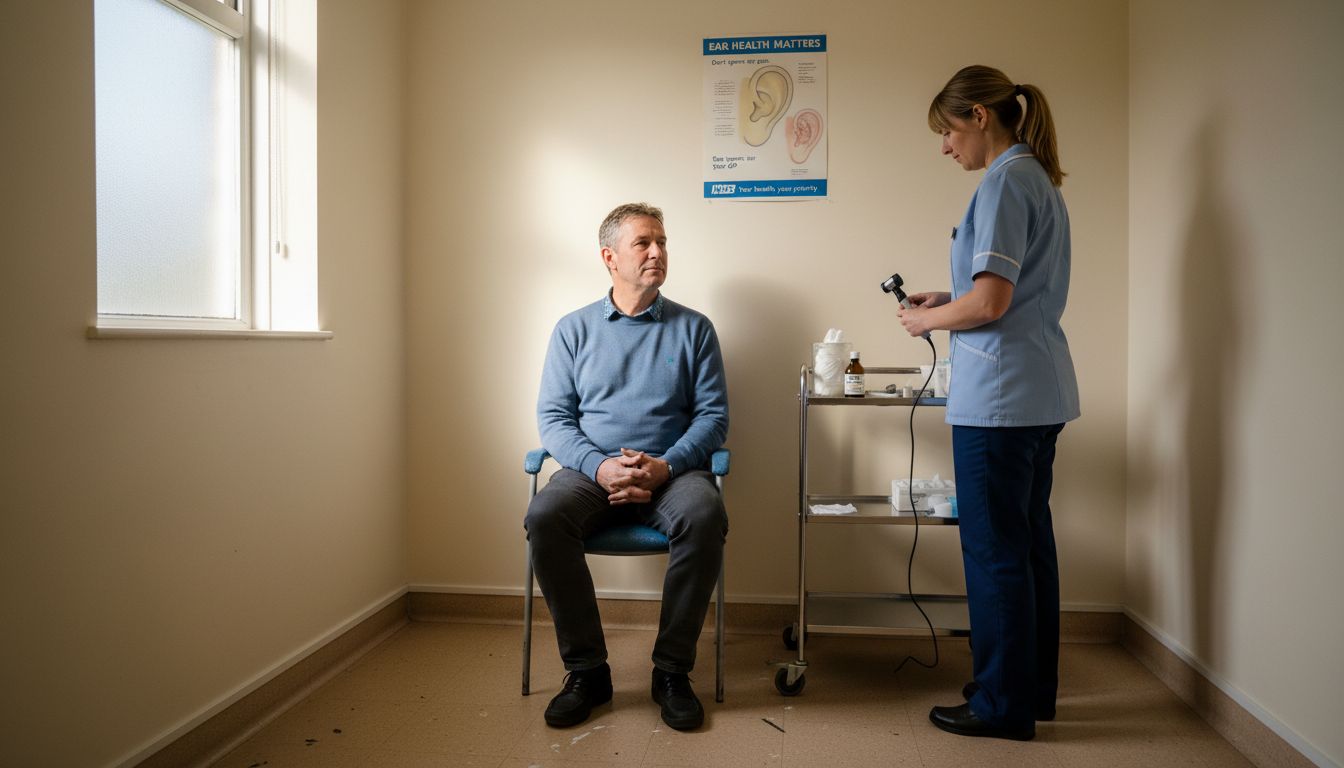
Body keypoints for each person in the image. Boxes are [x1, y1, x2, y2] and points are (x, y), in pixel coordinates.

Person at [897, 65, 1081, 742]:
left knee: (996, 552)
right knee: (1030, 547)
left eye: (949, 130)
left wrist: (928, 322)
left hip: (1001, 402)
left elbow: (994, 301)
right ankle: (1031, 692)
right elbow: (1011, 293)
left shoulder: (1004, 180)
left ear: (979, 116)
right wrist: (949, 301)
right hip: (1038, 390)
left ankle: (1002, 705)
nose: (947, 147)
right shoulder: (1038, 178)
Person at [525, 202, 729, 731]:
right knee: (546, 516)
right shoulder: (573, 330)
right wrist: (599, 467)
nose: (658, 252)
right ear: (609, 257)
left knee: (704, 515)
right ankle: (587, 671)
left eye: (662, 241)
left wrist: (664, 466)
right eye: (644, 243)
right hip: (592, 474)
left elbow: (713, 418)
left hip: (672, 474)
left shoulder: (695, 329)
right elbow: (553, 419)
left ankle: (671, 672)